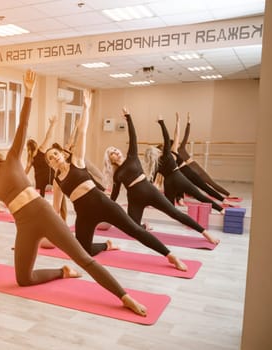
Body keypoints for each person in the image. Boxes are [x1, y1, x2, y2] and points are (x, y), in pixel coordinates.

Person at [0, 69, 147, 317]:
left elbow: (22, 126)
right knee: (23, 279)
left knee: (83, 258)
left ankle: (124, 296)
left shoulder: (11, 160)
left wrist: (28, 94)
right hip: (24, 225)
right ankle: (61, 272)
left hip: (44, 213)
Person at [45, 92, 187, 270]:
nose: (55, 158)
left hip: (103, 204)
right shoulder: (58, 181)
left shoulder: (77, 161)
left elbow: (82, 132)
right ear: (50, 164)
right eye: (51, 158)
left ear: (61, 154)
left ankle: (171, 256)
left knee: (135, 230)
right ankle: (107, 245)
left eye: (56, 154)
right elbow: (56, 208)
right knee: (85, 249)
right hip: (84, 216)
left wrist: (86, 108)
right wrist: (48, 226)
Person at [102, 109, 220, 244]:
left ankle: (206, 234)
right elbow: (114, 195)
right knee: (133, 229)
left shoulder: (132, 157)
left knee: (175, 213)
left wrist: (128, 117)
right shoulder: (117, 175)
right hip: (134, 199)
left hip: (149, 192)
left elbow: (133, 136)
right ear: (110, 159)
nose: (115, 152)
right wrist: (105, 206)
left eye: (116, 149)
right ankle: (144, 226)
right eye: (112, 152)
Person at [155, 115, 225, 215]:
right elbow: (175, 136)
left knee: (200, 191)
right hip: (176, 177)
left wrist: (178, 122)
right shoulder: (166, 157)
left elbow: (176, 136)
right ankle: (220, 209)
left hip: (177, 176)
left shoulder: (167, 156)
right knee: (196, 195)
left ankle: (221, 204)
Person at [171, 113, 231, 205]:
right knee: (208, 184)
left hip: (187, 169)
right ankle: (226, 196)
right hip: (192, 167)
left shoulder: (172, 153)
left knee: (183, 184)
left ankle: (180, 199)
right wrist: (188, 123)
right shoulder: (180, 148)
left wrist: (186, 123)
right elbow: (185, 135)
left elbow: (181, 135)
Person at [25, 115, 58, 197]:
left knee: (40, 196)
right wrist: (52, 125)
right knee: (57, 191)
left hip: (40, 179)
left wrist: (19, 179)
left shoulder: (30, 158)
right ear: (35, 145)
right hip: (48, 175)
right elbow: (48, 137)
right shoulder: (41, 149)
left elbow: (26, 171)